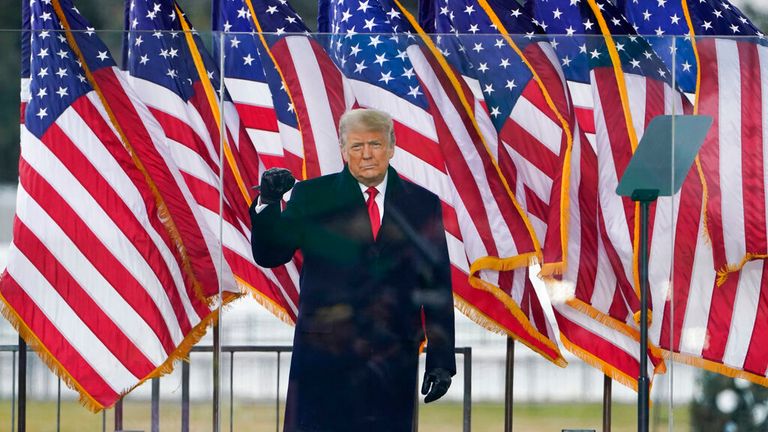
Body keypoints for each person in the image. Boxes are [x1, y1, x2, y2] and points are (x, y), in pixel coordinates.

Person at [250, 108, 456, 432]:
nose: (367, 155)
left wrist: (441, 359)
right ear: (344, 151)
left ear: (391, 146)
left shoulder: (422, 203)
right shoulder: (311, 196)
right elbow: (270, 254)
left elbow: (436, 286)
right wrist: (268, 203)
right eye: (357, 147)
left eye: (374, 144)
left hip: (392, 359)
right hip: (324, 358)